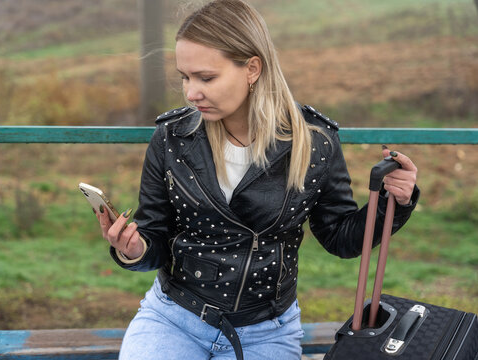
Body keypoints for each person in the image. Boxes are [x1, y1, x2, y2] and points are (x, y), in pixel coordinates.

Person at [95, 1, 419, 359]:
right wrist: (133, 249)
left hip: (266, 331)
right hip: (174, 316)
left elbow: (340, 238)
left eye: (206, 78)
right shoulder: (172, 139)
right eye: (185, 77)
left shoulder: (314, 144)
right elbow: (154, 238)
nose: (190, 93)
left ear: (252, 68)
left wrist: (394, 202)